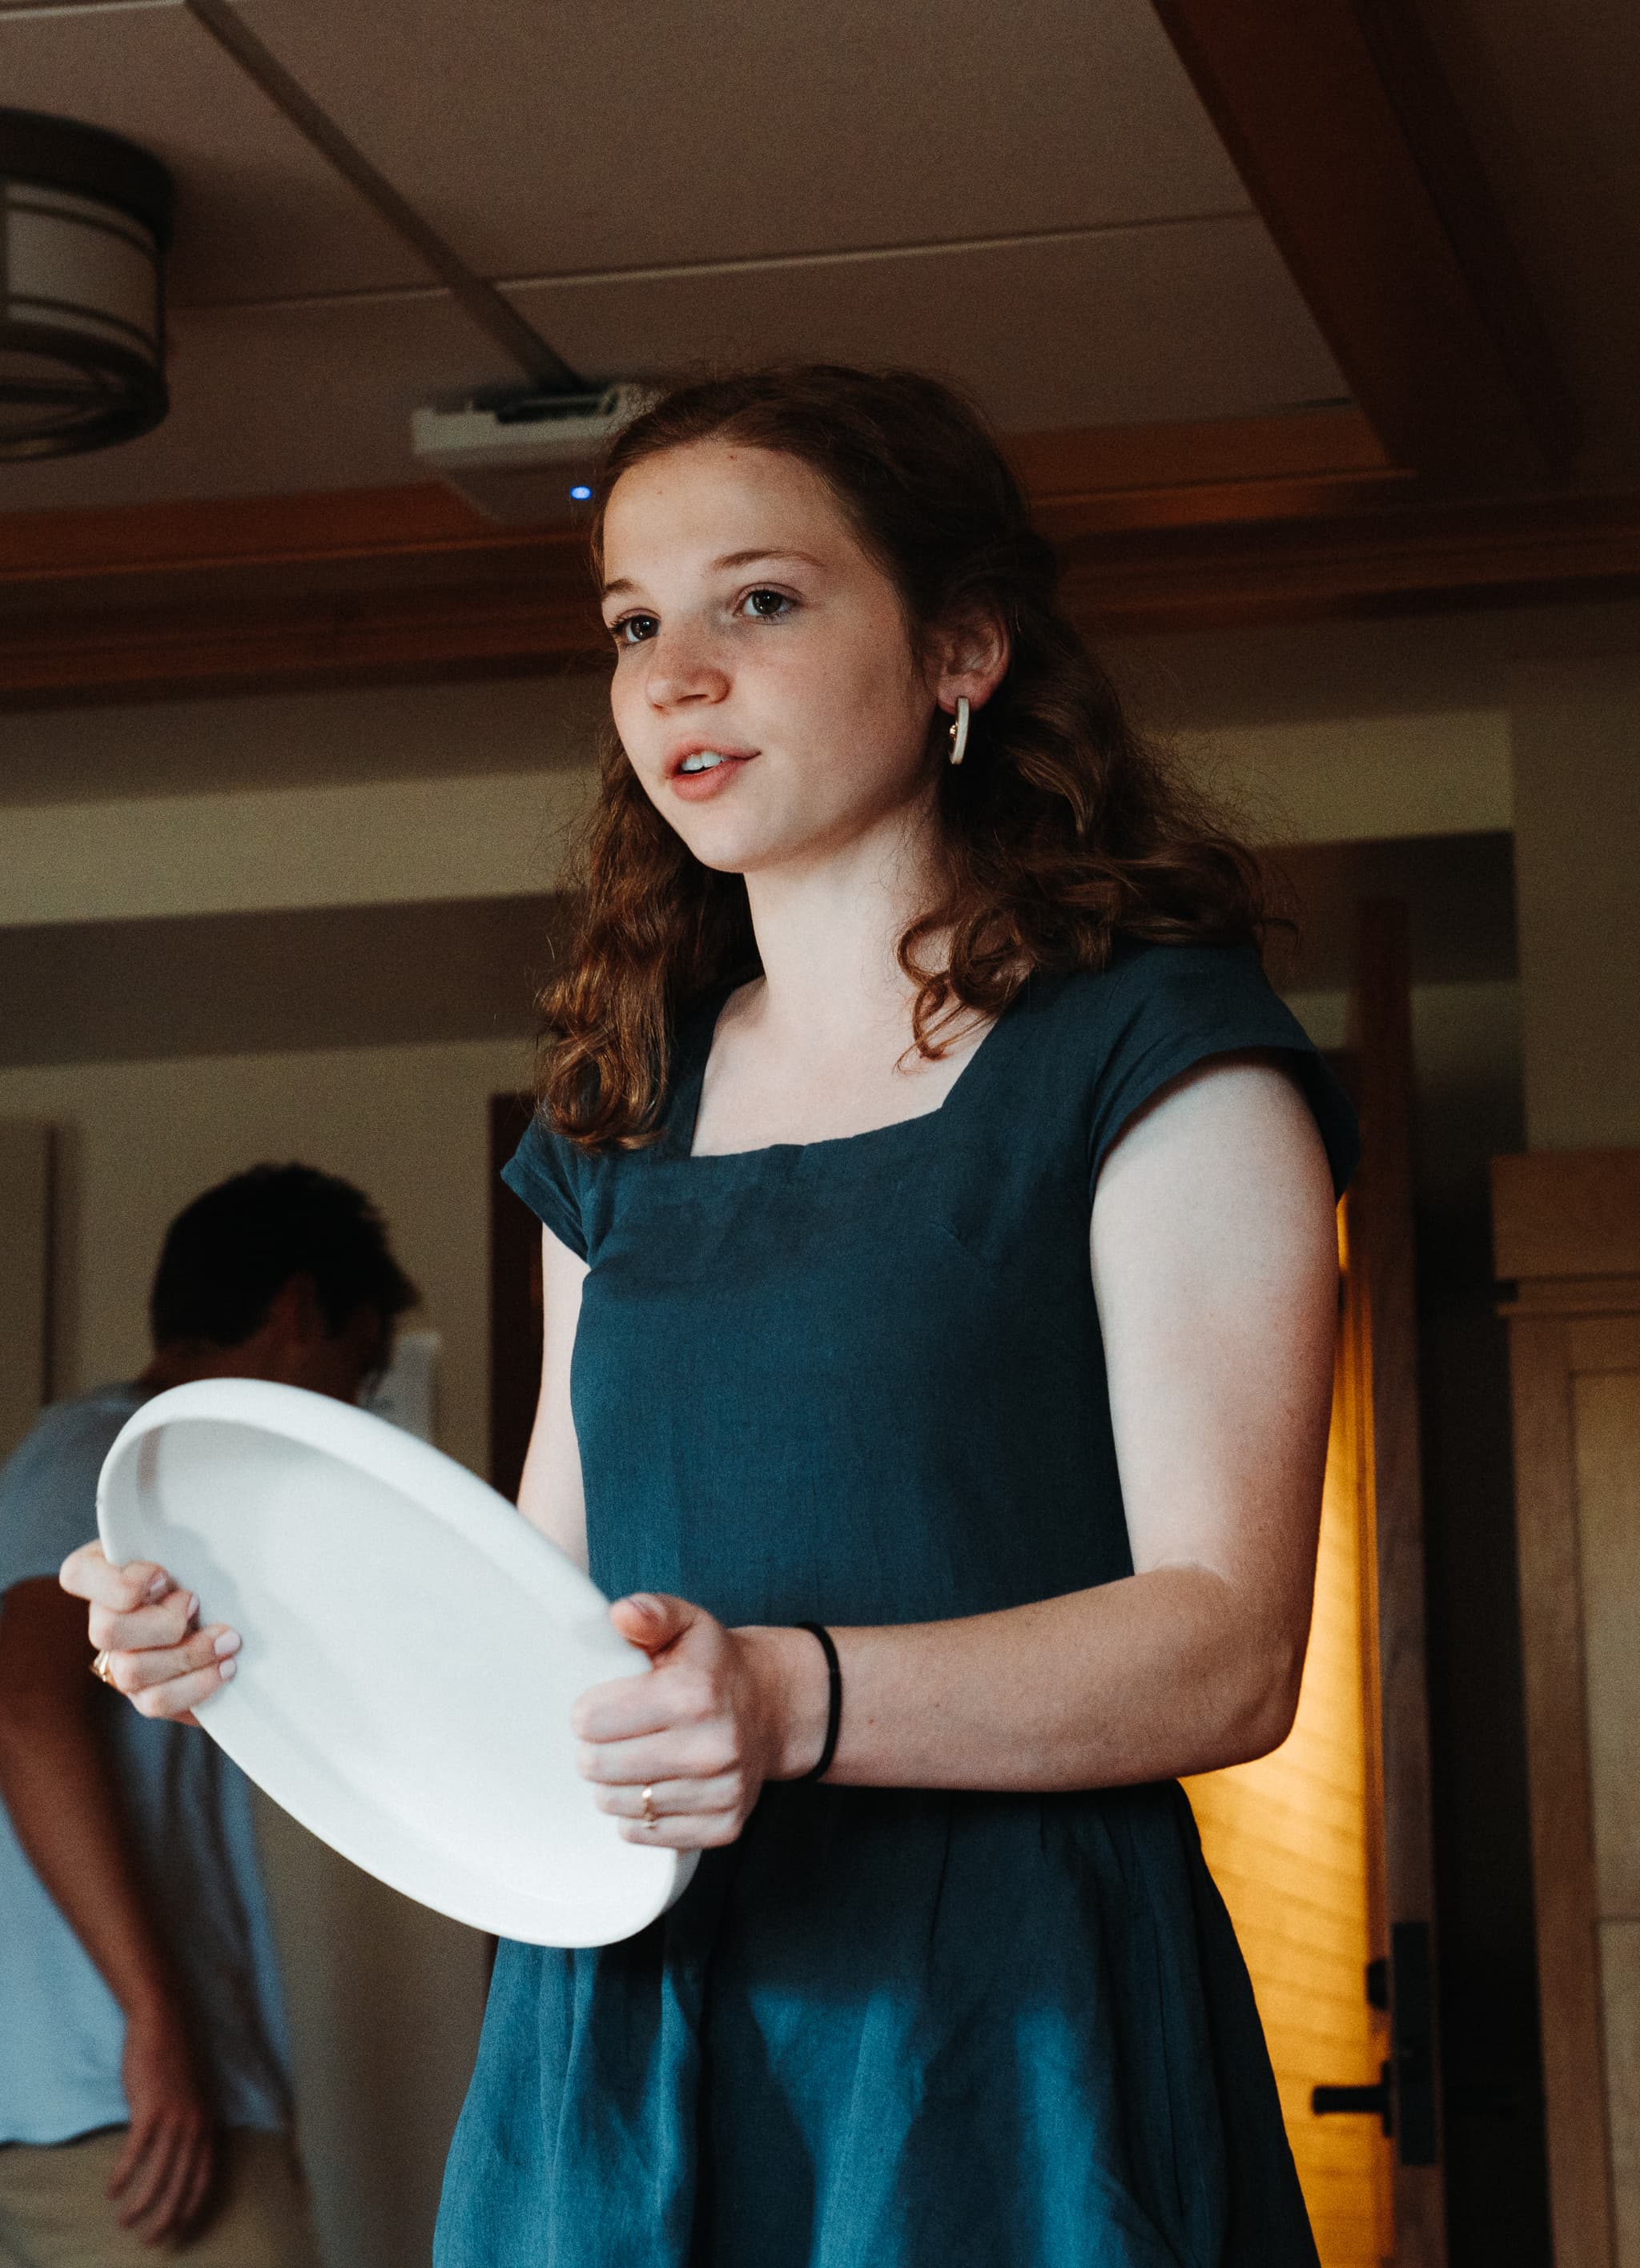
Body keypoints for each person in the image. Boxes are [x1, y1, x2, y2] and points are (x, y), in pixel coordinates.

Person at [65, 367, 1358, 2268]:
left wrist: (791, 1697)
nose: (674, 674)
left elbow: (1227, 1652)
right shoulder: (616, 1118)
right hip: (622, 2011)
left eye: (757, 601)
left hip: (993, 2027)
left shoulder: (1157, 1059)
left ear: (961, 650)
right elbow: (551, 1621)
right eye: (629, 624)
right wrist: (245, 1635)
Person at [1, 1164, 415, 2264]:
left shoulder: (143, 1475)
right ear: (295, 1313)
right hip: (110, 2099)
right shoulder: (105, 1456)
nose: (349, 1405)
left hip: (113, 2089)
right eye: (357, 1368)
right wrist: (156, 2021)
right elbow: (26, 1704)